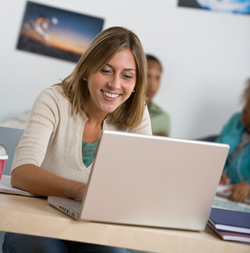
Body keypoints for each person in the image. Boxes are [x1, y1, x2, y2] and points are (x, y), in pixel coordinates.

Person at [2, 26, 152, 253]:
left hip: (96, 228)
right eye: (105, 70)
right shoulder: (53, 100)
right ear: (86, 70)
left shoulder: (137, 113)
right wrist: (81, 191)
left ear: (136, 82)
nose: (115, 84)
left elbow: (144, 181)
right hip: (38, 222)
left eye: (127, 75)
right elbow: (22, 172)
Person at [216, 78, 250, 203]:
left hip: (240, 199)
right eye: (246, 102)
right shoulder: (236, 120)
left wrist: (248, 186)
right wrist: (215, 172)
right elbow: (215, 152)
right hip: (218, 190)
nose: (244, 110)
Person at [146, 54, 170, 136]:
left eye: (157, 77)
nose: (152, 84)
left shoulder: (163, 118)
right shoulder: (115, 111)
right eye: (147, 75)